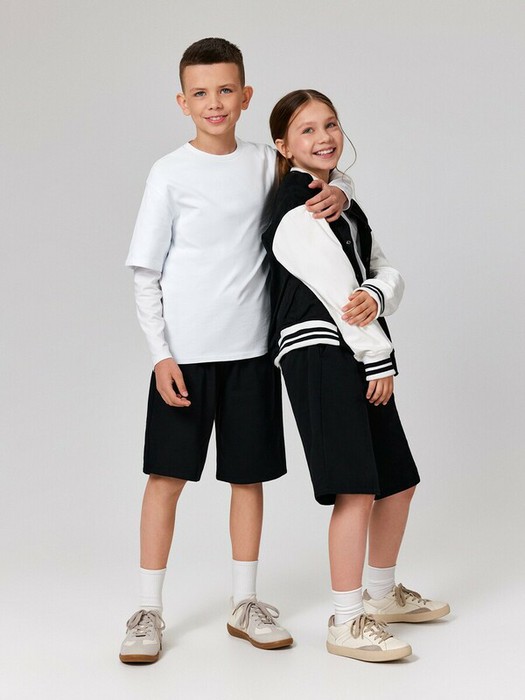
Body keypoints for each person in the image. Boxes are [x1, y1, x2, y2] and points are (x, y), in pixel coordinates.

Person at [120, 41, 353, 663]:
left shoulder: (265, 164)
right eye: (201, 93)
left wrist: (341, 195)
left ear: (246, 96)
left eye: (226, 90)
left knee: (248, 478)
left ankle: (245, 602)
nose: (214, 103)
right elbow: (145, 272)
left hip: (253, 352)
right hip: (185, 357)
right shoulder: (169, 173)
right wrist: (160, 355)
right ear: (183, 102)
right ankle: (147, 609)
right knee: (166, 478)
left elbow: (315, 179)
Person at [263, 89, 450, 662]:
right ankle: (346, 622)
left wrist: (378, 292)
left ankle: (382, 594)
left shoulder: (341, 202)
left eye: (331, 124)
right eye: (307, 130)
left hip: (354, 348)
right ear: (283, 146)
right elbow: (336, 290)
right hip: (319, 351)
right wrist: (378, 355)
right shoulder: (297, 206)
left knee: (397, 481)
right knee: (356, 487)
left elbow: (383, 271)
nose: (324, 137)